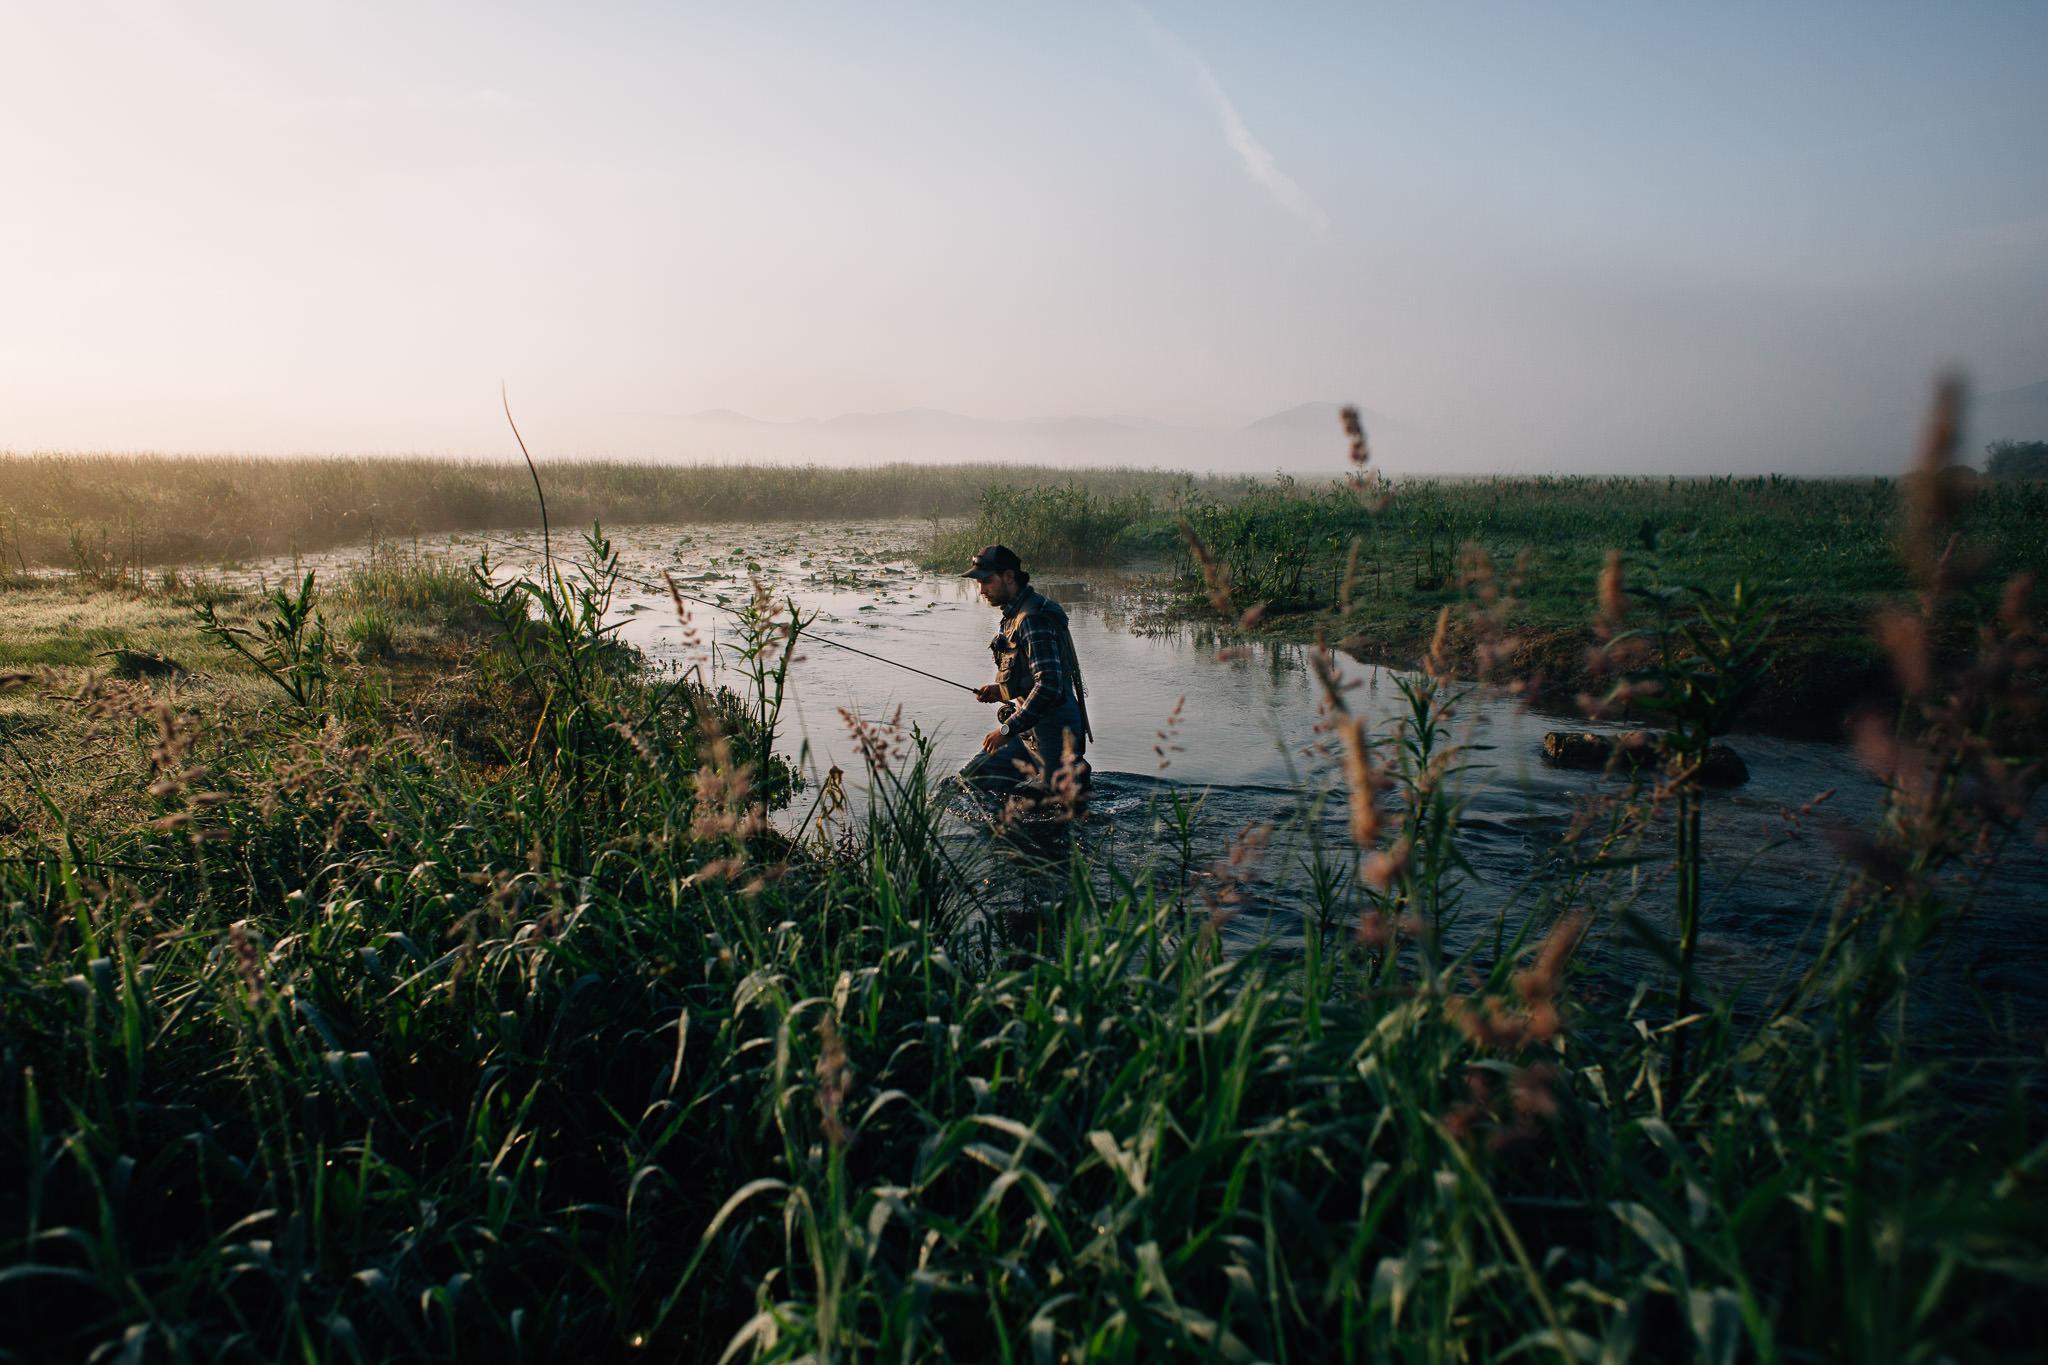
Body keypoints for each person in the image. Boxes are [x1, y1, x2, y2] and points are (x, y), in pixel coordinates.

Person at [957, 545, 1092, 804]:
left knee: (1054, 816)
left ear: (1009, 577)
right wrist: (1001, 691)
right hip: (1028, 734)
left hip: (1054, 737)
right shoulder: (1013, 615)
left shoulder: (1032, 618)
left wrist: (1007, 729)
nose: (982, 590)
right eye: (979, 583)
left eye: (987, 581)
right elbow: (1031, 676)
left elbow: (1049, 686)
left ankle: (1070, 779)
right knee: (971, 779)